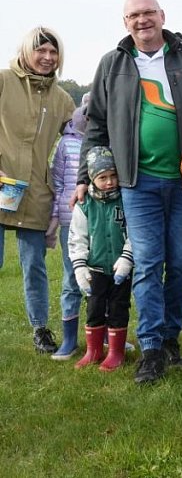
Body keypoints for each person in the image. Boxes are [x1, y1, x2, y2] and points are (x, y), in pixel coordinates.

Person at [76, 0, 182, 384]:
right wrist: (83, 177)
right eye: (133, 15)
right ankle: (150, 349)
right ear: (125, 22)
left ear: (162, 15)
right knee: (146, 263)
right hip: (137, 183)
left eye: (148, 13)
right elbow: (95, 126)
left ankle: (169, 338)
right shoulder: (112, 65)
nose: (142, 20)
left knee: (180, 263)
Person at [0, 27, 75, 353]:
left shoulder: (62, 99)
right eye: (40, 50)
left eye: (53, 52)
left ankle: (40, 329)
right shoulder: (4, 81)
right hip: (2, 183)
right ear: (26, 51)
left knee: (34, 265)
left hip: (35, 193)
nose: (47, 58)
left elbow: (83, 132)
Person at [69, 146, 134, 371]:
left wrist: (127, 258)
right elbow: (77, 237)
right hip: (95, 268)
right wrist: (80, 267)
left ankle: (116, 352)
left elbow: (136, 232)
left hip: (120, 268)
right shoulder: (85, 204)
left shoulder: (126, 201)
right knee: (94, 308)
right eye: (102, 177)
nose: (109, 182)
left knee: (119, 307)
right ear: (92, 179)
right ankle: (93, 350)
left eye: (113, 176)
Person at [48, 94, 89, 359]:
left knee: (103, 278)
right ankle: (69, 340)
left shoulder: (108, 139)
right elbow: (59, 183)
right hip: (70, 219)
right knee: (72, 277)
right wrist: (54, 219)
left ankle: (105, 334)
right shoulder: (66, 144)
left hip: (102, 220)